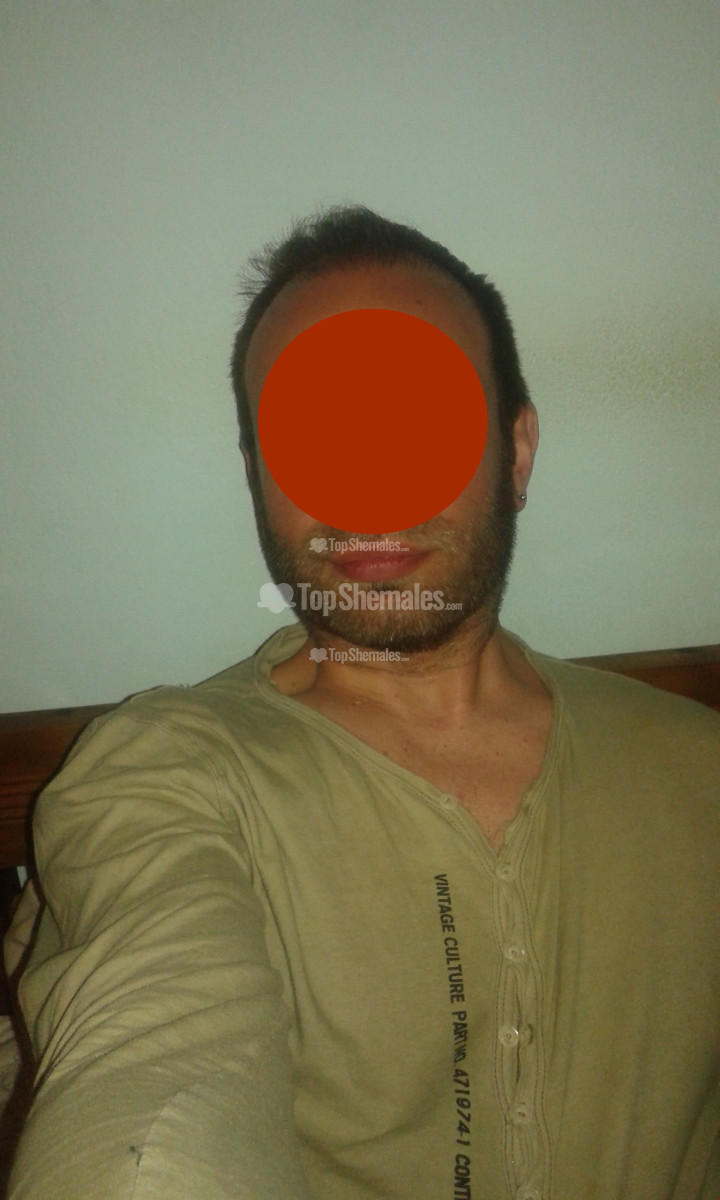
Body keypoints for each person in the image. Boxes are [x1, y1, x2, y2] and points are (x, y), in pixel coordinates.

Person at [8, 207, 719, 1200]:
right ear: (258, 476)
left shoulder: (698, 768)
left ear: (515, 453)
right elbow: (156, 1079)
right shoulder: (160, 773)